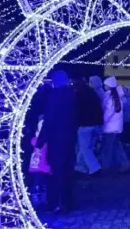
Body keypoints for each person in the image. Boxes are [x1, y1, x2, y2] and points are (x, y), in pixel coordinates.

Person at [35, 70, 78, 213]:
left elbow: (50, 119)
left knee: (57, 171)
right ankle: (68, 201)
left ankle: (56, 203)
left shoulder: (54, 95)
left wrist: (40, 141)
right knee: (67, 169)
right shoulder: (72, 94)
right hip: (69, 137)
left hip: (56, 138)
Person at [101, 77, 130, 172]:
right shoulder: (117, 97)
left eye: (105, 84)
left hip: (109, 128)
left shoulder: (110, 98)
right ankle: (125, 164)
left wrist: (102, 124)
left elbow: (108, 114)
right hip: (116, 128)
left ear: (109, 86)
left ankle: (104, 166)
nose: (104, 86)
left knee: (107, 148)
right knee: (116, 147)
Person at [75, 79, 103, 175]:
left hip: (84, 126)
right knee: (89, 147)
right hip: (95, 125)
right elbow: (99, 110)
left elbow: (77, 112)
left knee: (84, 148)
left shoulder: (79, 95)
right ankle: (82, 166)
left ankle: (94, 167)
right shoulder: (94, 94)